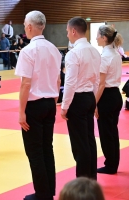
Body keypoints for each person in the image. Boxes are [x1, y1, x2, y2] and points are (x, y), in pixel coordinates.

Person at [15, 11, 61, 200]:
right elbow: (58, 80)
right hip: (50, 102)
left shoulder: (28, 51)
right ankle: (48, 190)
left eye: (25, 24)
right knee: (46, 148)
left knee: (35, 151)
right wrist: (54, 100)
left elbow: (26, 84)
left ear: (30, 27)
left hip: (34, 105)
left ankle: (42, 194)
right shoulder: (54, 49)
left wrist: (21, 111)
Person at [61, 17, 101, 180]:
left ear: (73, 31)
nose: (67, 34)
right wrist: (94, 101)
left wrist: (64, 106)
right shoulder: (94, 51)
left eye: (67, 31)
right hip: (90, 97)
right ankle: (91, 177)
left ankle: (83, 181)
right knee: (89, 138)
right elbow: (97, 79)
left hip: (77, 100)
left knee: (79, 143)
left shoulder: (73, 54)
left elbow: (70, 82)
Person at [95, 25, 123, 174]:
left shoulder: (105, 56)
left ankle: (110, 165)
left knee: (106, 133)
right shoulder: (116, 53)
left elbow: (101, 84)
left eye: (98, 35)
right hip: (115, 96)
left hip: (106, 97)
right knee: (112, 131)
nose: (96, 38)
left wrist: (94, 103)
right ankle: (113, 163)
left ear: (104, 38)